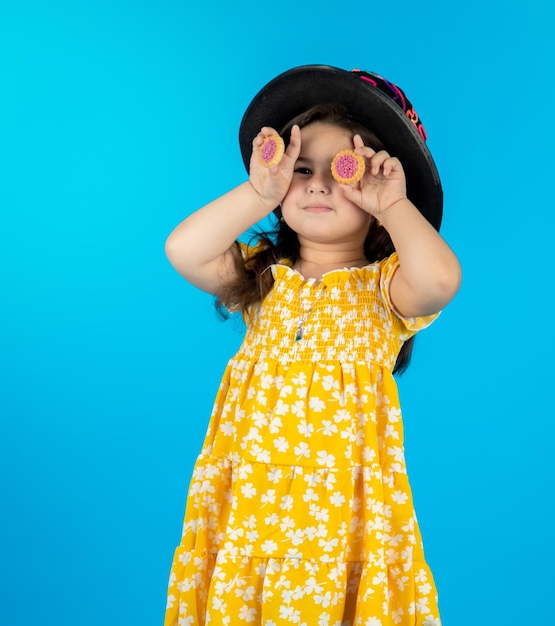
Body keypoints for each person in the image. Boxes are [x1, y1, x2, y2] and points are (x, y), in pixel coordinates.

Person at [163, 65, 461, 626]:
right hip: (251, 508)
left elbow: (441, 281)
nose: (319, 183)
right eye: (302, 169)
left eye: (343, 170)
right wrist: (259, 192)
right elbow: (184, 248)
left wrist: (392, 204)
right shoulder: (263, 279)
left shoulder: (385, 289)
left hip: (341, 518)